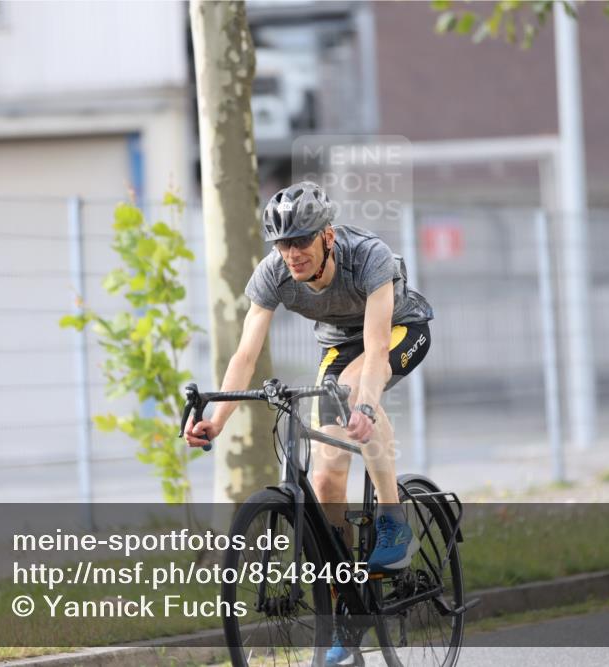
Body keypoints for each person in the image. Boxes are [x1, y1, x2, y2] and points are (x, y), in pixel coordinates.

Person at [183, 181, 433, 665]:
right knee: (323, 475)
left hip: (400, 329)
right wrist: (217, 420)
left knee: (356, 390)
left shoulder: (369, 257)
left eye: (300, 240)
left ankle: (393, 518)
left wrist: (364, 406)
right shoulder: (274, 273)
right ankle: (346, 612)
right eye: (282, 243)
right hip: (339, 345)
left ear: (328, 237)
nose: (291, 253)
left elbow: (378, 348)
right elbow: (245, 353)